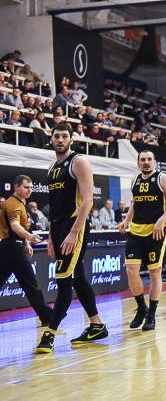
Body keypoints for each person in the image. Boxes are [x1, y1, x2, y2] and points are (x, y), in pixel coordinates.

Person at [36, 123, 108, 353]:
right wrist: (50, 236)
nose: (60, 139)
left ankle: (49, 334)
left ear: (71, 140)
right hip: (58, 228)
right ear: (51, 140)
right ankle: (96, 325)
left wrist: (74, 232)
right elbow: (53, 206)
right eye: (56, 136)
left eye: (64, 136)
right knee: (77, 277)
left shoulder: (78, 162)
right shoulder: (51, 168)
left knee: (64, 280)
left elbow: (87, 201)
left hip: (74, 226)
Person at [118, 150, 166, 330]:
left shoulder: (163, 179)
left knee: (154, 272)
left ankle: (151, 314)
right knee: (131, 271)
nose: (146, 162)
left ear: (155, 162)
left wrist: (162, 220)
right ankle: (141, 308)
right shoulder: (134, 180)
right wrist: (126, 220)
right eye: (143, 160)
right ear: (138, 163)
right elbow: (135, 203)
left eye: (149, 159)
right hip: (136, 230)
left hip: (156, 232)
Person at [0, 175, 53, 326]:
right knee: (30, 282)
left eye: (31, 188)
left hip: (10, 246)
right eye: (26, 187)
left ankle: (47, 315)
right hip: (12, 247)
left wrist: (26, 243)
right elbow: (15, 226)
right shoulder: (13, 203)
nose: (29, 190)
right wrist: (29, 236)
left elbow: (19, 227)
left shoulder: (20, 203)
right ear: (16, 187)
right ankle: (47, 316)